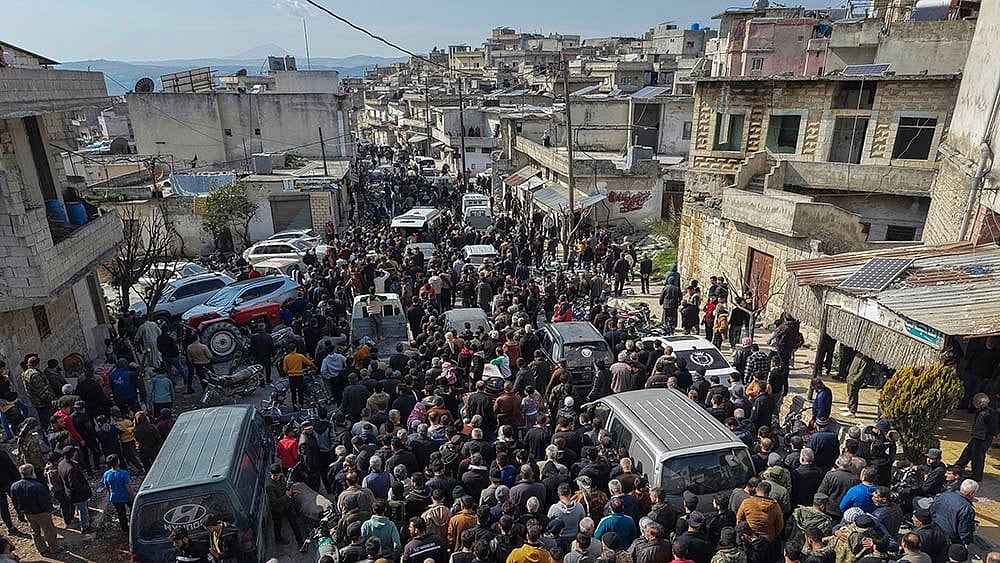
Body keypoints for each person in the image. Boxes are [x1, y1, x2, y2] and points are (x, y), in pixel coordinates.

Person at [10, 464, 58, 555]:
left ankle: (42, 550)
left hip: (28, 513)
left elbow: (15, 501)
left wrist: (20, 512)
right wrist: (49, 510)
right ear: (32, 473)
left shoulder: (14, 486)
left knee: (35, 532)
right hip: (41, 513)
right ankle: (54, 548)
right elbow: (45, 502)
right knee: (49, 531)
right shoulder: (38, 486)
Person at [955, 393, 996, 481]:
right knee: (968, 452)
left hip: (982, 438)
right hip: (977, 436)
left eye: (975, 402)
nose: (973, 403)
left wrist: (993, 434)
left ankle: (976, 476)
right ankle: (958, 466)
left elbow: (992, 427)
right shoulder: (982, 411)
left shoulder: (987, 413)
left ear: (980, 402)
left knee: (977, 457)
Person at [58, 445, 95, 534]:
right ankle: (85, 527)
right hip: (78, 494)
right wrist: (85, 488)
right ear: (72, 454)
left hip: (69, 492)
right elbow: (74, 484)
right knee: (83, 510)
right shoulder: (71, 468)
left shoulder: (61, 464)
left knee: (80, 509)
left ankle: (84, 520)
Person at [931, 479, 978, 547]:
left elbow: (932, 510)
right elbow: (964, 531)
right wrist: (967, 543)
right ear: (971, 493)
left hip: (935, 530)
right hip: (950, 540)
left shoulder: (944, 495)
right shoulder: (967, 509)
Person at [265, 462, 303, 546]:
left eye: (277, 475)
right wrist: (287, 495)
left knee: (294, 523)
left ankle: (300, 541)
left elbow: (285, 488)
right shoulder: (270, 486)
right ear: (270, 474)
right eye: (274, 475)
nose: (276, 477)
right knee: (278, 525)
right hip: (278, 509)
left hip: (287, 505)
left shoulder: (281, 478)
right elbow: (274, 502)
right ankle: (278, 538)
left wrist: (291, 493)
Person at [101, 454, 135, 534]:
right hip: (126, 496)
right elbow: (128, 487)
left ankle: (125, 529)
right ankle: (133, 524)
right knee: (133, 509)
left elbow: (106, 485)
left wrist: (110, 493)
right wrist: (133, 495)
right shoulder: (123, 473)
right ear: (118, 462)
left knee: (121, 513)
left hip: (115, 497)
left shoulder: (106, 474)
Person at [21, 357, 55, 431]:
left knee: (43, 419)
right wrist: (50, 399)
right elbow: (41, 391)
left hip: (36, 401)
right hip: (42, 402)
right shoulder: (35, 374)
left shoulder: (25, 373)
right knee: (47, 421)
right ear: (37, 364)